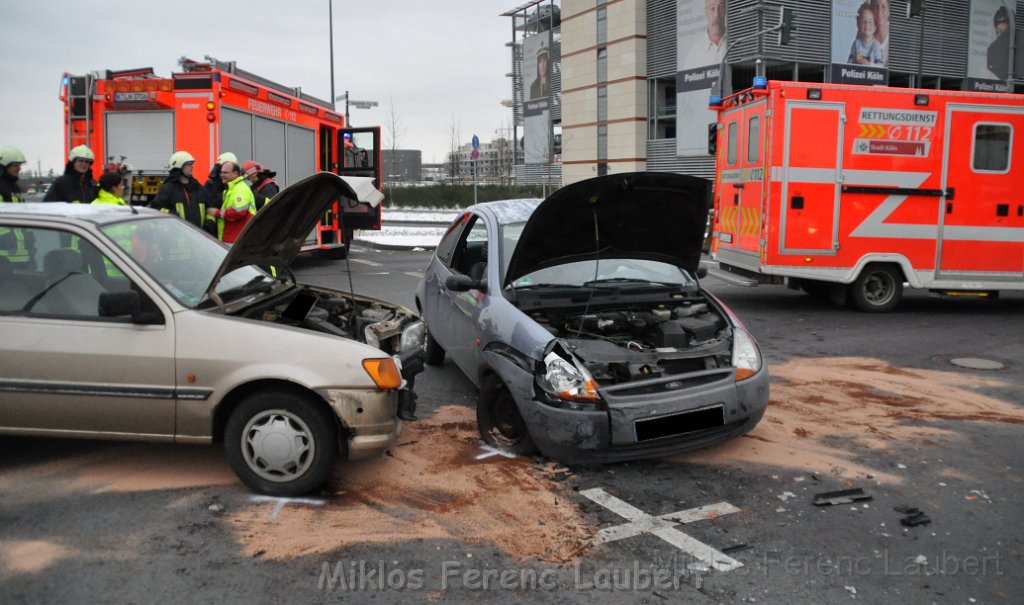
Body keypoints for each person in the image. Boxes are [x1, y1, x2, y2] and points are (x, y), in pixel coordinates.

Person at [150, 151, 213, 231]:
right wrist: (172, 215)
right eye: (188, 165)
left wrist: (209, 224)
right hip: (176, 238)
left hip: (198, 237)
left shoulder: (199, 188)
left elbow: (210, 209)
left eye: (192, 164)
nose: (192, 167)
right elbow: (156, 209)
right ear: (179, 167)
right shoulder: (168, 189)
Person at [207, 160, 255, 243]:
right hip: (233, 239)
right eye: (221, 173)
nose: (222, 175)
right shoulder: (231, 189)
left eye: (225, 173)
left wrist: (217, 213)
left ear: (235, 173)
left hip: (236, 240)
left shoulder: (240, 189)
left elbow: (238, 211)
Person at [683, 0, 727, 69]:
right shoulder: (694, 53)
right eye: (712, 8)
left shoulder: (735, 42)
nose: (717, 14)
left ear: (726, 10)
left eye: (721, 7)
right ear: (706, 12)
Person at [869, 0, 891, 65]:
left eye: (883, 7)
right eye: (876, 7)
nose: (879, 12)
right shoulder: (865, 34)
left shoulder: (895, 37)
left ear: (888, 11)